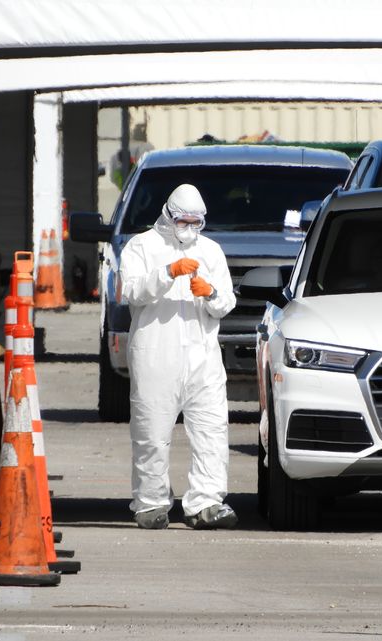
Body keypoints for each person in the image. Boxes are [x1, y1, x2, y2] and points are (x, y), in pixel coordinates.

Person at [119, 183, 238, 530]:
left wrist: (210, 292)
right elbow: (130, 291)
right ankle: (151, 503)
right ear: (169, 216)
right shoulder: (141, 246)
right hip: (156, 355)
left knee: (211, 430)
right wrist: (167, 273)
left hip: (203, 357)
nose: (190, 228)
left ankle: (206, 502)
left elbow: (226, 302)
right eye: (184, 221)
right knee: (152, 432)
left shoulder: (211, 251)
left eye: (196, 222)